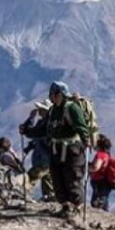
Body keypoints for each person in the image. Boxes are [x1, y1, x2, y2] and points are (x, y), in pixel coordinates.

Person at [45, 81, 89, 218]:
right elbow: (46, 129)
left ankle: (77, 208)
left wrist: (85, 140)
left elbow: (81, 127)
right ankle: (65, 206)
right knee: (57, 178)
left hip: (71, 150)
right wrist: (27, 130)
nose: (51, 97)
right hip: (56, 149)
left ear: (60, 95)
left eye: (53, 94)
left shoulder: (72, 108)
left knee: (72, 178)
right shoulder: (53, 111)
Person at [19, 100, 56, 201]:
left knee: (30, 177)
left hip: (44, 160)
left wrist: (30, 119)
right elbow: (36, 138)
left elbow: (32, 133)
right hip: (45, 159)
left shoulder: (47, 125)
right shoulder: (43, 123)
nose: (39, 111)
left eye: (42, 109)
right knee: (48, 180)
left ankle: (23, 195)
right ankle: (50, 199)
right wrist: (29, 147)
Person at [89, 134, 114, 211]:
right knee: (103, 200)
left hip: (100, 181)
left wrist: (88, 167)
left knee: (96, 202)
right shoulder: (107, 155)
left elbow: (95, 167)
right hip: (105, 182)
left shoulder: (100, 155)